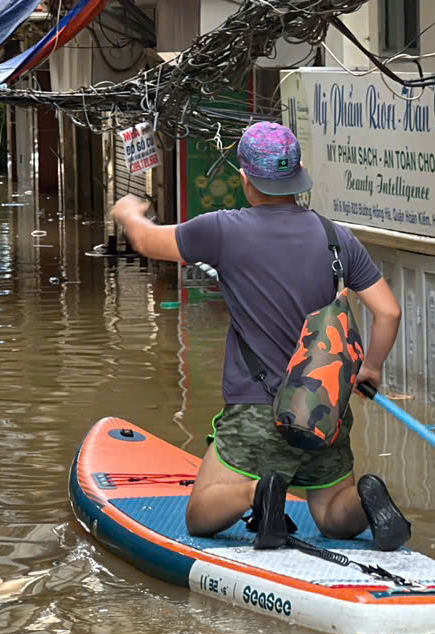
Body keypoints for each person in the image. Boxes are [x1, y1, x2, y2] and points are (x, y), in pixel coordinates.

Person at [110, 121, 411, 552]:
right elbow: (388, 311)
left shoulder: (222, 229)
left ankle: (258, 494)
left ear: (245, 179)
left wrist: (127, 214)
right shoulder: (336, 238)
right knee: (330, 515)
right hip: (324, 410)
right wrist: (372, 367)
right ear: (298, 175)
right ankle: (365, 500)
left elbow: (145, 241)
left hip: (257, 410)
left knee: (201, 515)